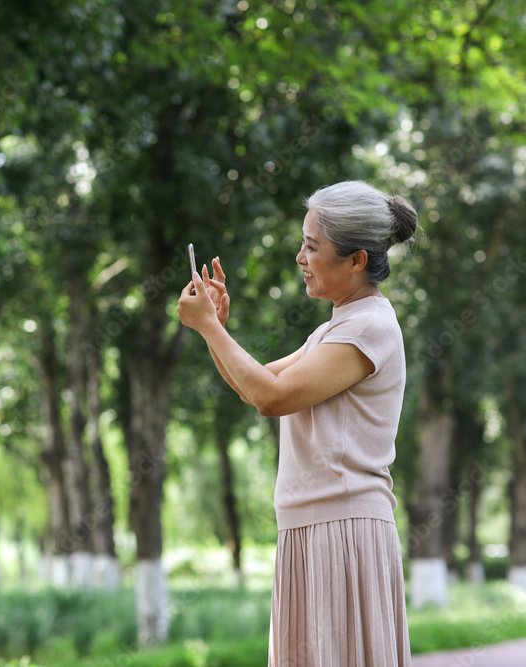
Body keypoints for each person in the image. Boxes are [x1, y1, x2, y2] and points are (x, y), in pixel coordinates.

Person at [177, 181, 417, 666]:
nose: (299, 257)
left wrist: (207, 327)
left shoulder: (368, 327)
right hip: (312, 528)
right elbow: (256, 383)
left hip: (343, 531)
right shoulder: (334, 328)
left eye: (312, 246)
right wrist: (218, 329)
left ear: (357, 260)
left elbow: (271, 398)